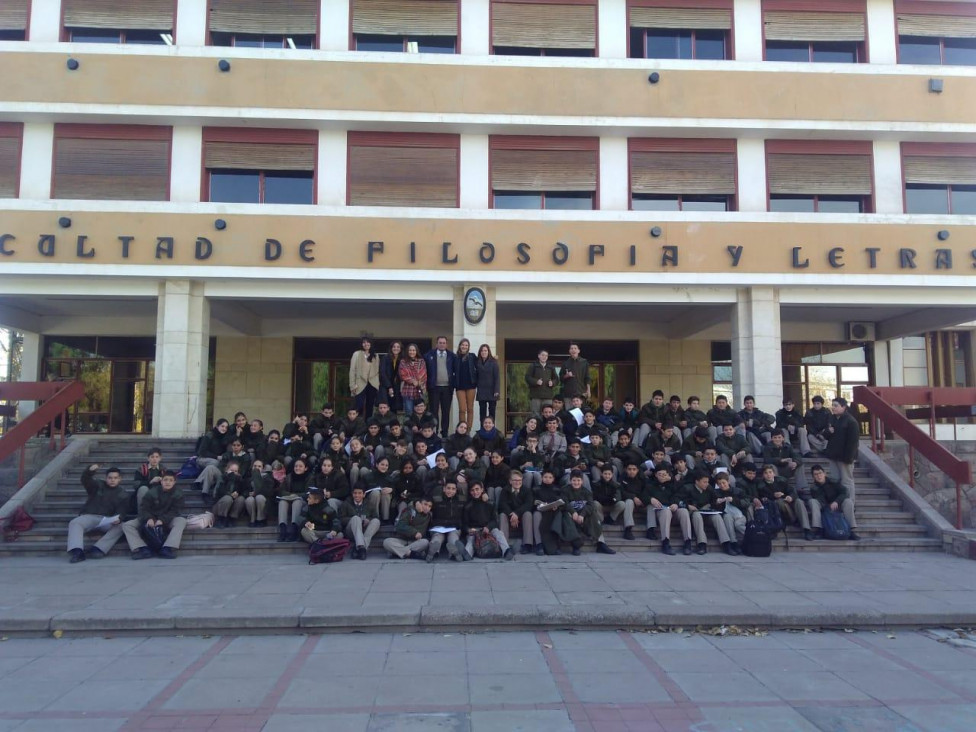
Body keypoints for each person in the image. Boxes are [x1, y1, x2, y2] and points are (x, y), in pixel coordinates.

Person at [67, 464, 130, 562]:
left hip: (106, 520)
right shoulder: (98, 485)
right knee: (75, 522)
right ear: (106, 478)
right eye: (110, 478)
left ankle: (98, 548)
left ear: (120, 479)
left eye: (115, 478)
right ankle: (77, 551)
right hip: (90, 516)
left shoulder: (123, 494)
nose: (112, 480)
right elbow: (85, 480)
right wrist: (89, 471)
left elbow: (122, 510)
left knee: (123, 526)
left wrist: (119, 518)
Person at [122, 471, 186, 559]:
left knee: (181, 521)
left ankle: (167, 548)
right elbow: (144, 508)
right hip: (149, 518)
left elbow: (175, 510)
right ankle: (142, 548)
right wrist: (149, 518)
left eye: (171, 480)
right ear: (161, 481)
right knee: (127, 525)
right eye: (165, 480)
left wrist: (162, 520)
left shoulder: (178, 493)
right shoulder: (153, 492)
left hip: (167, 519)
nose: (168, 482)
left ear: (174, 482)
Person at [563, 470, 616, 555]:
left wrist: (582, 514)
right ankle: (576, 546)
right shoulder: (565, 490)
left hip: (582, 515)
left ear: (582, 481)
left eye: (578, 480)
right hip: (571, 515)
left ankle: (600, 543)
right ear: (570, 480)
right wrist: (573, 512)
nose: (576, 483)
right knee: (567, 517)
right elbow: (564, 503)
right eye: (574, 480)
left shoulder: (586, 492)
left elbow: (590, 505)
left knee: (594, 515)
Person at [807, 464, 860, 541]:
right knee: (812, 501)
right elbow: (820, 500)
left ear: (824, 473)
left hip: (838, 504)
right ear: (813, 477)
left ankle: (850, 530)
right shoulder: (814, 488)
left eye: (820, 473)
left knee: (848, 501)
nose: (819, 476)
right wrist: (828, 506)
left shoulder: (833, 482)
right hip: (825, 508)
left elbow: (844, 492)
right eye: (816, 474)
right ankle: (818, 529)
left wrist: (836, 501)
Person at [464, 482, 513, 560]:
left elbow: (494, 520)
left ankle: (507, 551)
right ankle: (466, 554)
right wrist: (468, 530)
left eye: (477, 489)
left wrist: (488, 527)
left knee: (498, 533)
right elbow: (465, 523)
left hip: (488, 528)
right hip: (475, 529)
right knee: (471, 540)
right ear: (470, 492)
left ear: (482, 490)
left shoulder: (490, 503)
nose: (475, 492)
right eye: (472, 490)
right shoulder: (468, 506)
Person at [825, 397, 860, 502]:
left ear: (843, 407)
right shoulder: (832, 418)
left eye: (836, 406)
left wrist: (849, 458)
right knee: (835, 480)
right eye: (833, 405)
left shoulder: (851, 421)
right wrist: (828, 431)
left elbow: (853, 442)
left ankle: (849, 503)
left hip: (845, 457)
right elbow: (825, 435)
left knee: (846, 481)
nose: (833, 408)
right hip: (833, 455)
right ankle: (838, 502)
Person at [425, 336, 458, 439]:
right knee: (434, 411)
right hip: (434, 387)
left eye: (444, 343)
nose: (442, 344)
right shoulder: (428, 355)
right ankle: (434, 432)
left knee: (445, 411)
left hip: (447, 388)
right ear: (436, 344)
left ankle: (444, 433)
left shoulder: (452, 356)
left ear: (446, 344)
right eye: (440, 342)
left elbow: (456, 371)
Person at [427, 481, 467, 561]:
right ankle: (432, 551)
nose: (450, 491)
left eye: (453, 489)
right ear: (444, 489)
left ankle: (454, 552)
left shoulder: (461, 500)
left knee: (453, 537)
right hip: (439, 526)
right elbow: (424, 500)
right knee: (437, 537)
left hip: (454, 527)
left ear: (456, 491)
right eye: (448, 488)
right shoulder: (436, 500)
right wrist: (416, 503)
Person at [498, 470, 536, 554]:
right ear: (510, 481)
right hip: (509, 515)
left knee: (528, 514)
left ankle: (527, 544)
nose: (517, 482)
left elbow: (528, 504)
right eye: (515, 480)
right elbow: (502, 504)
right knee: (502, 515)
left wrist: (517, 514)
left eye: (520, 480)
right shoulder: (505, 490)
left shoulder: (527, 490)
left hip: (521, 515)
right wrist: (512, 515)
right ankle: (504, 545)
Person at [340, 485, 380, 559]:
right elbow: (341, 519)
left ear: (364, 494)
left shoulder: (369, 504)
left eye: (359, 493)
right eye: (355, 493)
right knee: (356, 518)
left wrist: (368, 520)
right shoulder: (346, 503)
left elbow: (376, 516)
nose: (357, 495)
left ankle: (360, 548)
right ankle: (361, 547)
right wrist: (354, 519)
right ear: (352, 494)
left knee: (376, 521)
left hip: (365, 530)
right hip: (351, 530)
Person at [277, 458, 311, 543]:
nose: (297, 468)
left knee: (297, 502)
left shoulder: (309, 477)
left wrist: (296, 496)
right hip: (289, 500)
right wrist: (290, 495)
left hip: (302, 502)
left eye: (300, 466)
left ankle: (294, 529)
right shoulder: (289, 477)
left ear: (305, 468)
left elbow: (308, 493)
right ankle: (283, 529)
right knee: (282, 502)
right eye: (296, 466)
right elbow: (281, 491)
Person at [349, 335, 380, 421]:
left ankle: (368, 426)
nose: (366, 344)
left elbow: (377, 371)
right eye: (364, 342)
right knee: (359, 405)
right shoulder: (357, 354)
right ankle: (358, 425)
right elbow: (352, 370)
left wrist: (377, 384)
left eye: (368, 342)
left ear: (371, 343)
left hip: (372, 383)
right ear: (361, 344)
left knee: (370, 406)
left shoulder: (375, 355)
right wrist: (352, 385)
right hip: (359, 383)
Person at [213, 460, 247, 528]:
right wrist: (230, 494)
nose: (233, 473)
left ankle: (232, 518)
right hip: (220, 506)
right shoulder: (222, 477)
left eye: (235, 471)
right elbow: (218, 492)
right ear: (226, 470)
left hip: (233, 506)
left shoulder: (239, 479)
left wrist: (237, 494)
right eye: (231, 470)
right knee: (228, 498)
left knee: (241, 499)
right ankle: (221, 519)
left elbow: (244, 491)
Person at [396, 342, 427, 417]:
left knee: (419, 413)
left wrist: (418, 381)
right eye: (410, 350)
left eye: (413, 350)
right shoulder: (403, 362)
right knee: (409, 412)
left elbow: (423, 373)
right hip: (407, 391)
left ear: (416, 351)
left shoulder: (421, 361)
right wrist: (413, 381)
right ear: (407, 351)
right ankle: (409, 428)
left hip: (419, 391)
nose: (412, 352)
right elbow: (403, 374)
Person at [525, 349, 558, 416]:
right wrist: (536, 381)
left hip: (548, 396)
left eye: (546, 355)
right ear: (539, 356)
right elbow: (527, 377)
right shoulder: (533, 366)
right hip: (536, 395)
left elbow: (556, 379)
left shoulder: (551, 367)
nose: (544, 357)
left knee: (548, 415)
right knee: (536, 414)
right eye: (543, 355)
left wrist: (552, 383)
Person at [474, 343, 500, 425]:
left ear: (488, 352)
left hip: (492, 390)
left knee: (492, 411)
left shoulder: (494, 363)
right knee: (482, 412)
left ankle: (491, 428)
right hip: (481, 390)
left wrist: (496, 390)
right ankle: (482, 429)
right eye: (482, 351)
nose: (483, 352)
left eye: (485, 350)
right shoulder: (477, 362)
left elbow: (497, 377)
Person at [455, 338, 478, 429]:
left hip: (471, 386)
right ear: (460, 346)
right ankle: (462, 428)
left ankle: (468, 430)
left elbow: (480, 365)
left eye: (466, 345)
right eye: (463, 345)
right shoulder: (455, 357)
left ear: (468, 347)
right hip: (459, 386)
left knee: (470, 409)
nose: (464, 346)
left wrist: (493, 358)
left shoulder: (472, 356)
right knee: (462, 409)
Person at [246, 460, 274, 527]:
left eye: (259, 466)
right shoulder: (248, 477)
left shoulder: (267, 477)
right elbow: (243, 490)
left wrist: (256, 493)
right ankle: (252, 519)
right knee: (249, 499)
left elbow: (269, 491)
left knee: (259, 497)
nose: (256, 468)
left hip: (264, 498)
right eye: (255, 466)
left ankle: (261, 519)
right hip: (251, 498)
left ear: (263, 469)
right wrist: (248, 493)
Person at [379, 340, 403, 413]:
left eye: (398, 347)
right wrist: (389, 386)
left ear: (400, 349)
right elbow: (382, 373)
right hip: (386, 385)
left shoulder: (402, 359)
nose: (396, 348)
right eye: (394, 347)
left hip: (397, 386)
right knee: (385, 407)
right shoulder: (385, 358)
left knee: (395, 407)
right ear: (391, 348)